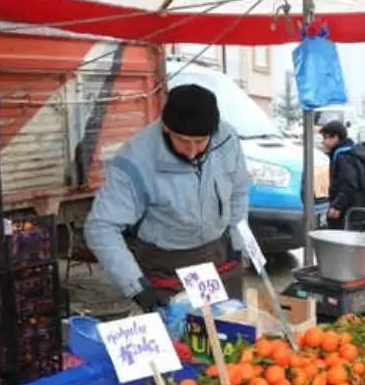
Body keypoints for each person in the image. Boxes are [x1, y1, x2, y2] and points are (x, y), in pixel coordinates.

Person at [85, 84, 250, 313]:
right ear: (165, 127)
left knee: (229, 335)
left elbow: (239, 189)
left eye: (201, 142)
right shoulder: (135, 159)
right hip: (166, 264)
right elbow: (100, 226)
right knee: (181, 342)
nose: (192, 152)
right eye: (183, 141)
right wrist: (136, 286)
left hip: (218, 256)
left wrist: (237, 238)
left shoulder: (227, 139)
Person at [318, 120, 365, 228]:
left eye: (325, 138)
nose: (323, 142)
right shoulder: (354, 150)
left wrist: (337, 206)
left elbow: (348, 184)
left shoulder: (344, 156)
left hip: (348, 212)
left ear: (335, 137)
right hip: (359, 209)